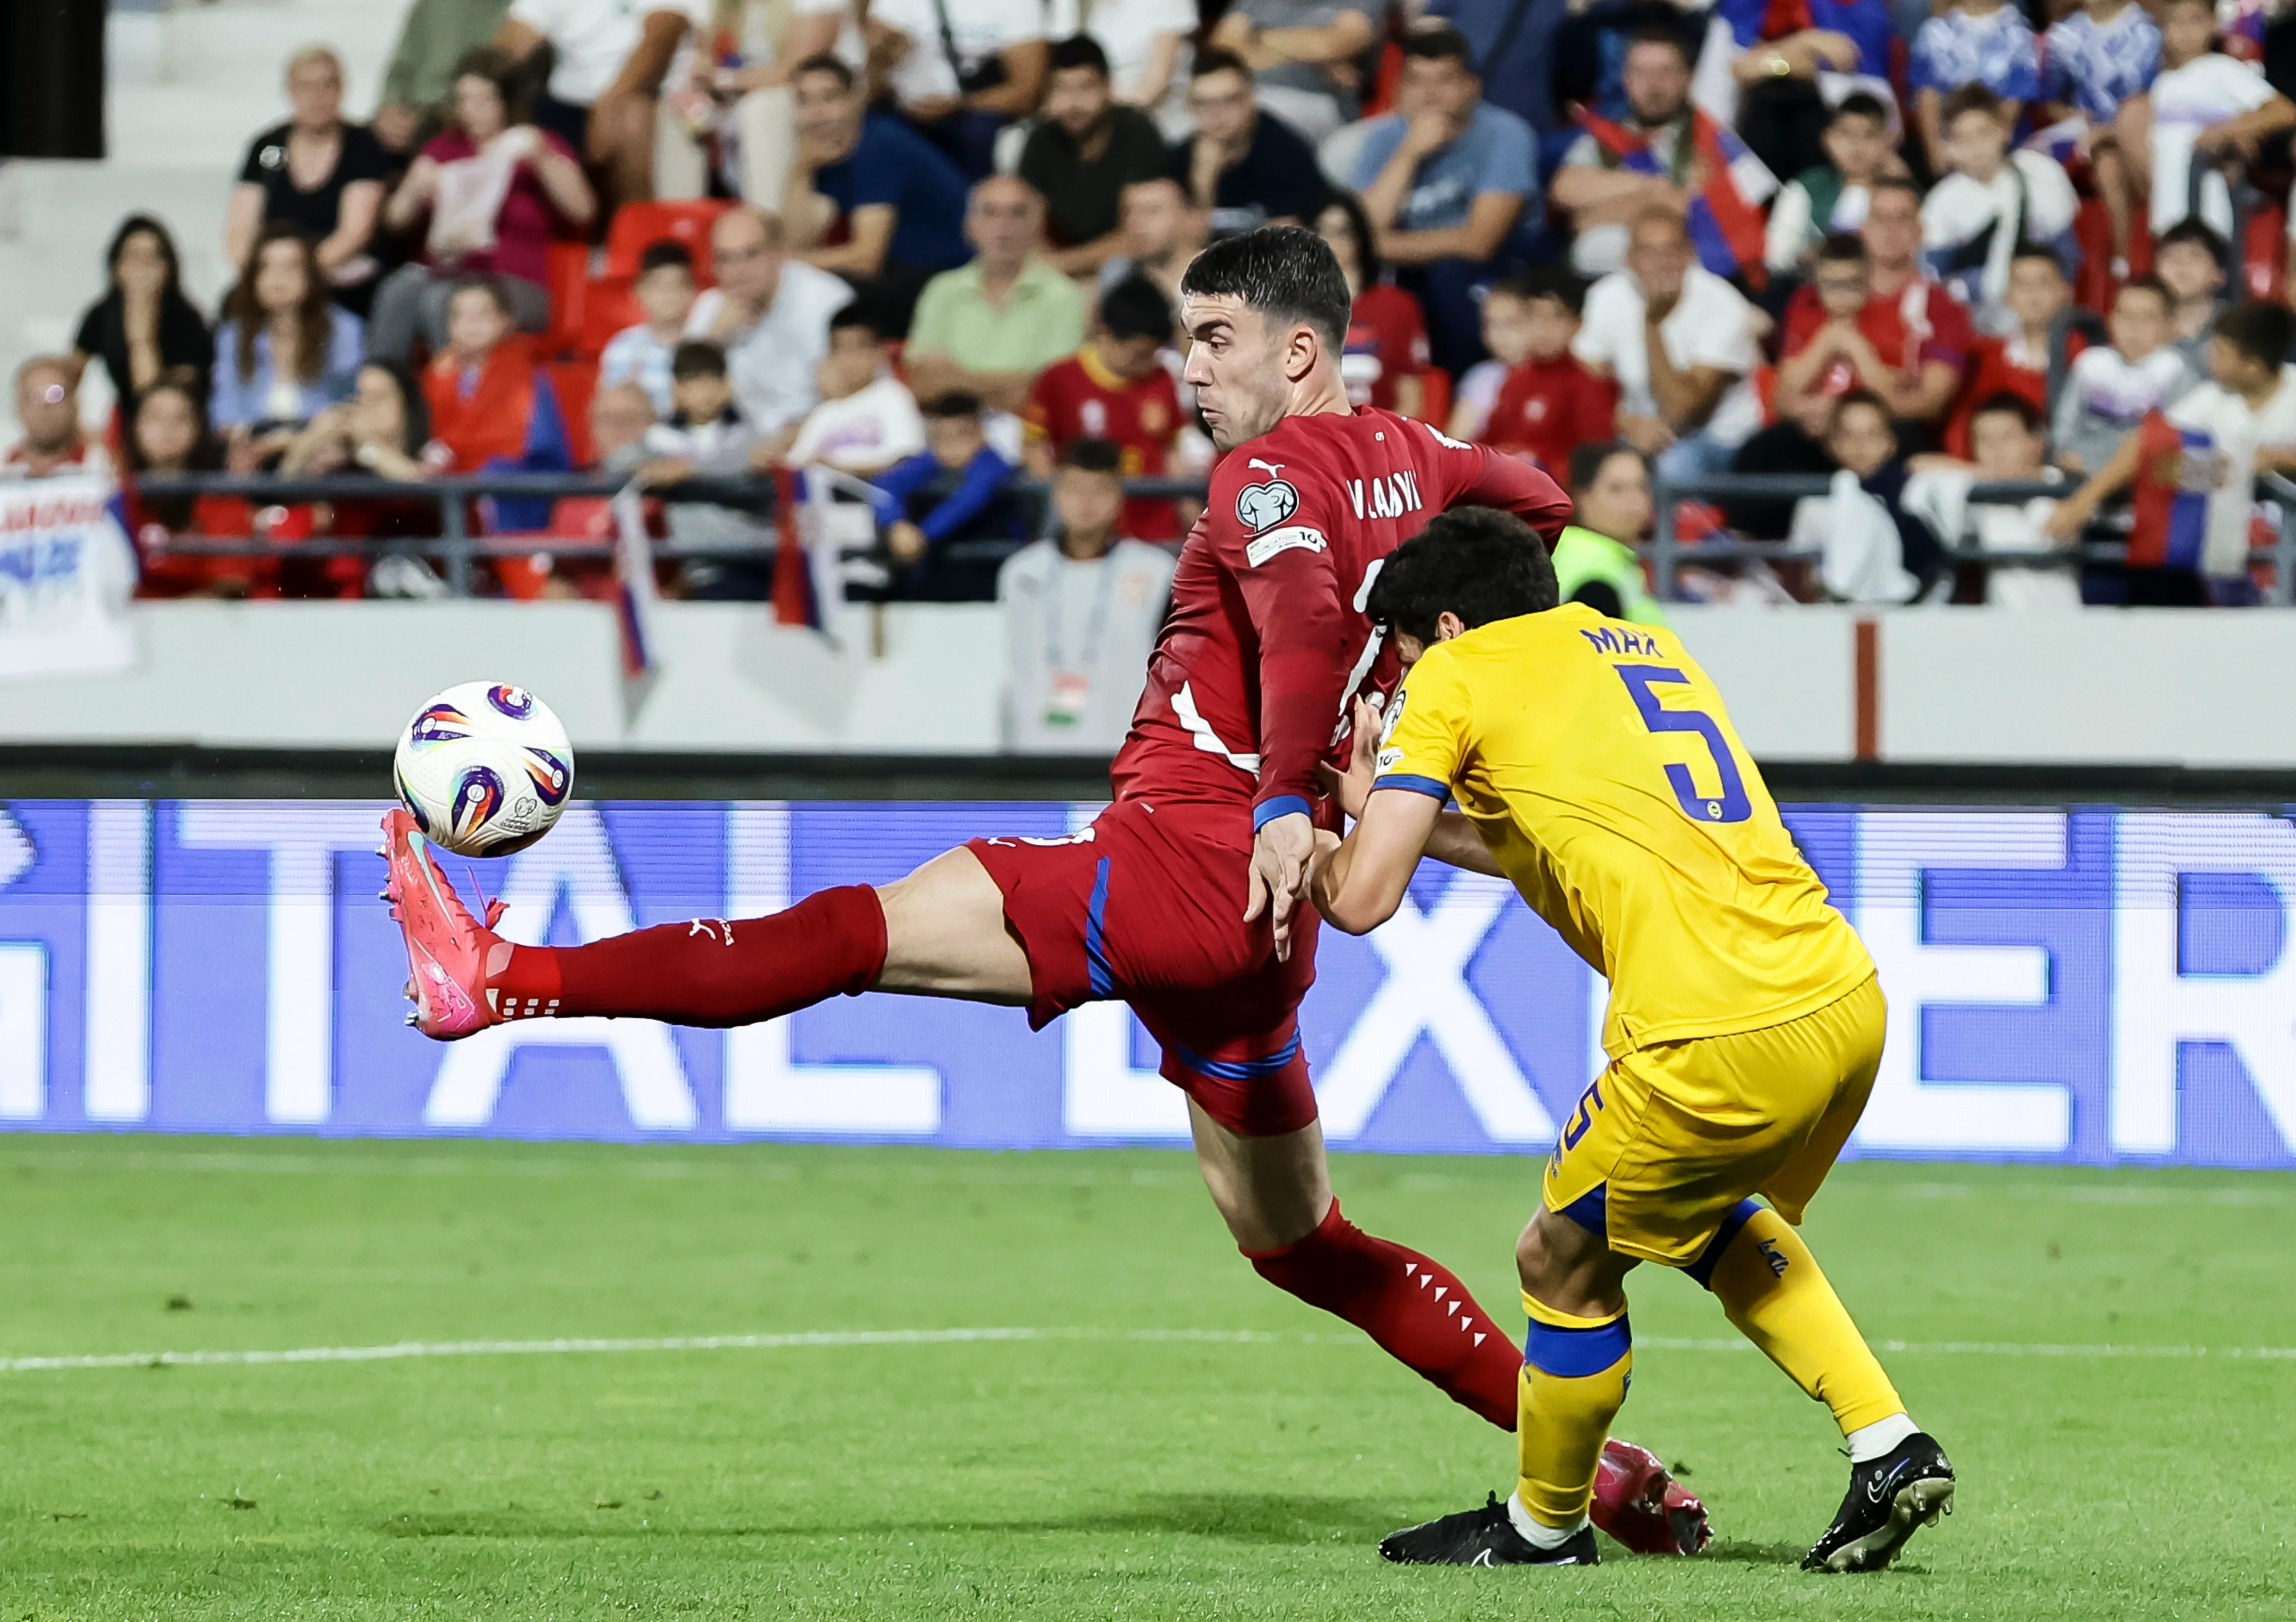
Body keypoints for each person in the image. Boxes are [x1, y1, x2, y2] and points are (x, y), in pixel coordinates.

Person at [378, 226, 1715, 1561]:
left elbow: (1307, 620)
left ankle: (501, 981)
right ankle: (1609, 1484)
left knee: (851, 931)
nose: (1185, 369)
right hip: (1265, 925)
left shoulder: (1266, 473)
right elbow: (1543, 498)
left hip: (1185, 861)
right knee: (1305, 1243)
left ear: (1299, 351)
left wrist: (1269, 797)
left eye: (1214, 339)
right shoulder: (1423, 465)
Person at [1312, 509, 1949, 1572]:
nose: (1403, 670)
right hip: (1837, 997)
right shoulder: (1637, 645)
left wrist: (1312, 834)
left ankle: (1542, 1529)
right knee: (1694, 1216)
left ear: (1453, 624)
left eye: (1409, 645)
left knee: (1554, 1255)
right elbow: (1539, 844)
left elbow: (1364, 898)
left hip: (1713, 1032)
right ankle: (1885, 1439)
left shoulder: (1456, 676)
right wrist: (1391, 810)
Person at [2047, 299, 2296, 605]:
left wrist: (2273, 458)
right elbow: (2149, 448)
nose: (2209, 358)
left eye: (2220, 352)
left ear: (2252, 366)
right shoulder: (2212, 397)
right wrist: (2082, 502)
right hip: (2226, 558)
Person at [373, 47, 598, 362]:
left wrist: (545, 160)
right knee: (397, 291)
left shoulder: (532, 144)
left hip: (517, 283)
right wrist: (414, 187)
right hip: (450, 270)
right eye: (464, 100)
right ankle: (386, 392)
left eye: (484, 101)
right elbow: (395, 219)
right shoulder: (446, 147)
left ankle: (461, 395)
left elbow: (583, 210)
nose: (472, 111)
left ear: (506, 101)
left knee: (443, 302)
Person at [1347, 23, 1537, 376]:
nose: (1430, 94)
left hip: (1496, 266)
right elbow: (1359, 233)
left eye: (1444, 81)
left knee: (1449, 278)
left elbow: (1479, 243)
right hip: (1409, 271)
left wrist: (1380, 245)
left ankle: (1459, 392)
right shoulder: (1384, 139)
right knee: (1379, 295)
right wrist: (1409, 153)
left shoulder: (1506, 134)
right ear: (1400, 89)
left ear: (1472, 86)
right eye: (1417, 82)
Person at [1552, 29, 1776, 283]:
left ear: (1688, 79)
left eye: (1665, 72)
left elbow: (1700, 210)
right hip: (1605, 282)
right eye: (1641, 72)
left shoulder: (1713, 138)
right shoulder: (1605, 138)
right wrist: (1657, 187)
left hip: (1694, 277)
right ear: (1626, 78)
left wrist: (1599, 212)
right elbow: (1565, 190)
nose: (1653, 84)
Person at [999, 437, 1179, 751]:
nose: (1086, 502)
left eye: (1100, 490)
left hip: (1123, 748)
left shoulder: (1155, 571)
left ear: (1119, 496)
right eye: (1073, 488)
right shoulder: (1021, 572)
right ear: (1055, 494)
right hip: (1035, 750)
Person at [1573, 208, 1764, 483]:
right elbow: (1584, 378)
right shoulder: (1607, 296)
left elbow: (1683, 412)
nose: (1661, 263)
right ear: (1630, 258)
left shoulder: (1723, 305)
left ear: (1689, 253)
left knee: (1672, 464)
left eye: (1672, 251)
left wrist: (1653, 326)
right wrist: (1628, 424)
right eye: (1649, 252)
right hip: (1632, 429)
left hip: (1719, 440)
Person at [1773, 187, 1976, 439]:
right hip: (1813, 428)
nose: (1890, 229)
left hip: (1894, 430)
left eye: (1902, 218)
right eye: (1880, 218)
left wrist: (1844, 408)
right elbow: (1783, 398)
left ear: (1920, 230)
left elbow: (1929, 405)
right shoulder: (1812, 297)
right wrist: (1830, 340)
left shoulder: (1944, 309)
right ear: (1864, 227)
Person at [784, 53, 971, 315]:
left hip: (954, 278)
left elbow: (866, 259)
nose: (816, 113)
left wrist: (788, 262)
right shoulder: (826, 154)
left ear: (854, 101)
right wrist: (799, 170)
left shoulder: (878, 144)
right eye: (804, 101)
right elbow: (796, 242)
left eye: (829, 98)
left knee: (821, 298)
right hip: (908, 271)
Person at [491, 0, 706, 208]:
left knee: (631, 116)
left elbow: (659, 42)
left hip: (649, 99)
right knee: (499, 117)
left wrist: (608, 105)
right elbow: (509, 47)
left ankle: (635, 234)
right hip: (566, 103)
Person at [905, 177, 1091, 416]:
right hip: (946, 435)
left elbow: (1048, 393)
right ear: (969, 225)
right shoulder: (942, 290)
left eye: (1017, 213)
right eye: (990, 213)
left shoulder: (1064, 296)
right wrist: (1010, 383)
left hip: (1027, 437)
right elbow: (922, 385)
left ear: (1038, 224)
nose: (1003, 227)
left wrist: (955, 378)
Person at [226, 46, 389, 314]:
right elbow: (239, 229)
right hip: (273, 275)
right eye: (307, 87)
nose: (318, 97)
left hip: (339, 276)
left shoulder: (362, 147)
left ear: (342, 89)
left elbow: (355, 233)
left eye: (328, 86)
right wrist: (263, 274)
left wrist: (300, 276)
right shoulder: (269, 149)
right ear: (290, 91)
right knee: (234, 306)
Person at [1026, 275, 1183, 540]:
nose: (1146, 363)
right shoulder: (1060, 378)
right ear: (1106, 333)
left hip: (1154, 520)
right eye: (1138, 354)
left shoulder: (1162, 379)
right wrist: (1062, 502)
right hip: (1088, 520)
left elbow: (1172, 449)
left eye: (1153, 354)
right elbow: (1033, 447)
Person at [688, 205, 855, 449]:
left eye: (751, 254)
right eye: (725, 259)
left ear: (778, 254)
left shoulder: (828, 302)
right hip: (739, 450)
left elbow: (857, 399)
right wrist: (714, 340)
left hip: (820, 444)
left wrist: (794, 438)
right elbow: (682, 399)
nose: (738, 272)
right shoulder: (711, 308)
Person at [2128, 0, 2296, 243]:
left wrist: (2226, 131)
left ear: (2213, 24)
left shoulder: (2224, 69)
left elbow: (2285, 112)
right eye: (2176, 22)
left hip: (2210, 205)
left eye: (2194, 20)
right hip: (2168, 210)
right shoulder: (2164, 83)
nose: (2184, 31)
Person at [421, 276, 575, 535]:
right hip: (453, 480)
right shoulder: (437, 377)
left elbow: (543, 446)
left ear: (506, 322)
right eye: (460, 316)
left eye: (483, 314)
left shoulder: (530, 376)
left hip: (518, 478)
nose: (470, 325)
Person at [1919, 85, 2077, 328]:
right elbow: (1932, 277)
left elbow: (2068, 256)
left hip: (2042, 311)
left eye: (1983, 133)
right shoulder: (1941, 201)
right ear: (1948, 146)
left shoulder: (2042, 173)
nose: (1975, 147)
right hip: (1974, 316)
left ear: (2005, 131)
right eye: (1963, 138)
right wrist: (1978, 287)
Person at [1020, 35, 1174, 276]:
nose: (1073, 102)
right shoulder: (1042, 138)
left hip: (1132, 268)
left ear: (1108, 87)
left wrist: (1061, 266)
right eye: (1061, 88)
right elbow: (1025, 221)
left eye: (1085, 87)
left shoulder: (1136, 130)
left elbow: (1139, 233)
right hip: (1061, 268)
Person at [633, 339, 775, 599]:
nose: (707, 392)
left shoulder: (749, 432)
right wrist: (651, 470)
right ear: (677, 389)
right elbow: (628, 465)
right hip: (705, 569)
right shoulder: (660, 438)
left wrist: (690, 470)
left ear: (727, 386)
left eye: (714, 381)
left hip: (759, 557)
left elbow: (754, 461)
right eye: (695, 383)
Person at [1911, 392, 2080, 611]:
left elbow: (2068, 523)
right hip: (2002, 626)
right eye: (1984, 440)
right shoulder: (1978, 492)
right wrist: (1984, 474)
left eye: (2007, 438)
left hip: (2064, 621)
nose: (1996, 450)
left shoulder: (2063, 486)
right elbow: (1918, 466)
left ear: (2036, 441)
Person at [209, 225, 365, 444]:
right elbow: (224, 409)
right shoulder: (233, 335)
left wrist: (299, 441)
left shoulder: (344, 330)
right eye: (266, 267)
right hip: (252, 447)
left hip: (321, 446)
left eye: (290, 267)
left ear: (310, 275)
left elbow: (348, 403)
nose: (277, 278)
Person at [865, 392, 1026, 601]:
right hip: (935, 577)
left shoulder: (993, 466)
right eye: (942, 437)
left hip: (989, 576)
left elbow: (970, 499)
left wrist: (923, 535)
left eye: (962, 435)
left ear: (981, 433)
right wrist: (895, 524)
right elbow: (886, 483)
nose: (951, 446)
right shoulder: (931, 462)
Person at [865, 0, 1052, 177]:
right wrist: (883, 57)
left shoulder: (1017, 5)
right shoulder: (893, 6)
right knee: (876, 130)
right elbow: (873, 82)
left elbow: (1028, 92)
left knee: (978, 133)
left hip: (978, 114)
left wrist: (960, 105)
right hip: (905, 109)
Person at [2041, 0, 2159, 274]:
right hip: (2084, 133)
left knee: (2112, 163)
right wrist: (2075, 118)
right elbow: (2053, 103)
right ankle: (2120, 263)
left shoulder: (2151, 32)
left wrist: (2112, 130)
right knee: (2104, 166)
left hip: (2141, 131)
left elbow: (2160, 96)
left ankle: (2138, 254)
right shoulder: (2062, 37)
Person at [121, 374, 259, 599]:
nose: (167, 428)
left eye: (181, 418)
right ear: (135, 426)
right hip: (124, 627)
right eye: (155, 417)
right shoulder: (113, 501)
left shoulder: (222, 501)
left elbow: (231, 584)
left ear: (199, 430)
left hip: (198, 627)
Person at [1944, 245, 2085, 456]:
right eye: (2021, 284)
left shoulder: (2089, 359)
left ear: (2066, 292)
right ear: (2008, 295)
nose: (2032, 294)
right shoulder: (1984, 357)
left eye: (2044, 283)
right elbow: (1962, 429)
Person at [1168, 50, 1328, 236]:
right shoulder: (1180, 158)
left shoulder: (1286, 153)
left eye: (1230, 100)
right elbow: (1180, 246)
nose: (1217, 114)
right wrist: (1203, 182)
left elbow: (1286, 246)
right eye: (1204, 104)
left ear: (1251, 98)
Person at [1479, 269, 1618, 477]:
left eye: (1556, 317)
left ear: (1577, 325)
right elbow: (1487, 442)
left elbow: (1593, 461)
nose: (1544, 327)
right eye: (1535, 315)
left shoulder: (1587, 383)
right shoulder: (1515, 379)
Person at [2052, 277, 2193, 476]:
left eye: (2147, 318)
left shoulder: (2177, 370)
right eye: (2126, 315)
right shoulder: (2091, 363)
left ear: (2170, 325)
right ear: (2111, 319)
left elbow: (2180, 449)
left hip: (2147, 487)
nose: (2134, 326)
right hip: (2079, 478)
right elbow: (2063, 435)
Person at [71, 215, 214, 407]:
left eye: (153, 258)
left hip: (172, 419)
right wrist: (53, 394)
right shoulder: (102, 314)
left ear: (169, 268)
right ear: (116, 268)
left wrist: (141, 335)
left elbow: (152, 400)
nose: (143, 268)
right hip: (122, 418)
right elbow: (68, 377)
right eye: (135, 257)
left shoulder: (187, 320)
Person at [1313, 190, 1429, 418]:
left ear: (1360, 238)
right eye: (1320, 231)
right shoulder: (1290, 308)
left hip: (1379, 438)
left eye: (1341, 232)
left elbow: (1412, 403)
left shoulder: (1398, 306)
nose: (1330, 241)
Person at [1204, 0, 1380, 145]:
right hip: (1244, 95)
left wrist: (1254, 38)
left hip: (1317, 102)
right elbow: (1220, 47)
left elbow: (1328, 46)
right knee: (1187, 126)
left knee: (1254, 129)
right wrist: (1311, 53)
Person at [1764, 93, 1896, 279]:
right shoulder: (1806, 188)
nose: (1856, 146)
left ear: (1888, 141)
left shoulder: (1902, 195)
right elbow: (1776, 257)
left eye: (1869, 135)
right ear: (1828, 139)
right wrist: (1807, 256)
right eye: (1846, 134)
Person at [784, 304, 929, 474]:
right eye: (841, 349)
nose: (850, 359)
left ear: (880, 353)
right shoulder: (822, 415)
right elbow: (796, 467)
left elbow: (906, 461)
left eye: (859, 348)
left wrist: (839, 470)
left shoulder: (893, 397)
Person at [1909, 0, 2039, 176]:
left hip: (2003, 149)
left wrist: (1988, 147)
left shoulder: (2020, 33)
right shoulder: (1934, 31)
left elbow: (2013, 101)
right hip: (1949, 147)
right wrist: (1935, 150)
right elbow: (1927, 95)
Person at [374, 0, 516, 152]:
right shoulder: (432, 5)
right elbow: (401, 71)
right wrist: (390, 108)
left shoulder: (525, 10)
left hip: (480, 130)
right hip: (419, 123)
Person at [1551, 441, 1663, 622]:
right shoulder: (1587, 560)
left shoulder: (1617, 558)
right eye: (1616, 489)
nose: (1634, 500)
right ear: (1582, 498)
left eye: (1642, 487)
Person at [1049, 0, 1196, 138]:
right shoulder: (1070, 5)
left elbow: (1154, 88)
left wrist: (1088, 103)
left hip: (1158, 132)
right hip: (1086, 131)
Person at [600, 239, 701, 416]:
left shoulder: (703, 346)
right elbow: (607, 409)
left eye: (677, 284)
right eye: (658, 285)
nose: (668, 294)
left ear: (694, 291)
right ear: (638, 293)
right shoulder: (621, 346)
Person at [1096, 176, 1206, 307]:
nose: (1135, 223)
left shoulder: (1223, 278)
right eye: (1127, 213)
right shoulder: (1115, 276)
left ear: (1191, 219)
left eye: (1151, 211)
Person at [2, 359, 110, 480]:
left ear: (75, 404)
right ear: (19, 407)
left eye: (55, 394)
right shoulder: (4, 465)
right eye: (34, 396)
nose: (45, 405)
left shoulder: (105, 464)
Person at [2159, 218, 2230, 377]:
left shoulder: (2236, 328)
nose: (2181, 264)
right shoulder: (2143, 321)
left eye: (2195, 255)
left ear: (2219, 274)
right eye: (2170, 256)